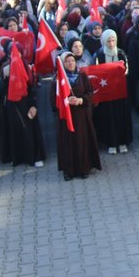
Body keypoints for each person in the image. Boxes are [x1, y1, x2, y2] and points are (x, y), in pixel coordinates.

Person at [53, 52, 101, 181]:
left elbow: (90, 93)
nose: (70, 63)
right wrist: (66, 101)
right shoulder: (58, 79)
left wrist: (81, 100)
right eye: (67, 61)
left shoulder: (82, 76)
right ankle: (69, 171)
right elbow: (53, 100)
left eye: (72, 61)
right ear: (63, 63)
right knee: (68, 143)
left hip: (81, 116)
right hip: (66, 117)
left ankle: (84, 168)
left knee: (82, 141)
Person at [93, 29, 132, 154]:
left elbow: (126, 71)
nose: (111, 43)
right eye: (108, 41)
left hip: (120, 92)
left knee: (121, 117)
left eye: (113, 40)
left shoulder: (121, 53)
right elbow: (97, 72)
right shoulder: (99, 55)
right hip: (106, 93)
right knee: (108, 117)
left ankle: (122, 142)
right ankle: (111, 143)